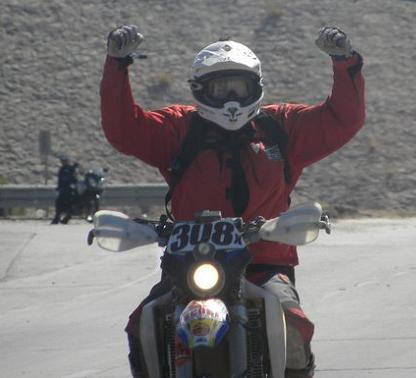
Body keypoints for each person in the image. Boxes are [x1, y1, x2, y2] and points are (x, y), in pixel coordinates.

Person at [101, 24, 365, 377]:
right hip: (186, 263)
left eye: (238, 87)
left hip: (264, 262)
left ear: (255, 87)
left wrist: (344, 61)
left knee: (291, 322)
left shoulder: (280, 127)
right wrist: (117, 64)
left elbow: (342, 119)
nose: (230, 97)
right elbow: (124, 128)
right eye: (219, 87)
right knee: (142, 322)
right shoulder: (179, 129)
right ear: (199, 90)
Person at [51, 154, 79, 224]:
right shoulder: (62, 169)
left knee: (70, 204)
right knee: (59, 204)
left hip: (70, 190)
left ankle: (65, 218)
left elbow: (75, 178)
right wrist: (58, 188)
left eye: (65, 161)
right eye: (63, 161)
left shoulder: (71, 168)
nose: (64, 162)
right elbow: (60, 180)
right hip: (63, 190)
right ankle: (57, 218)